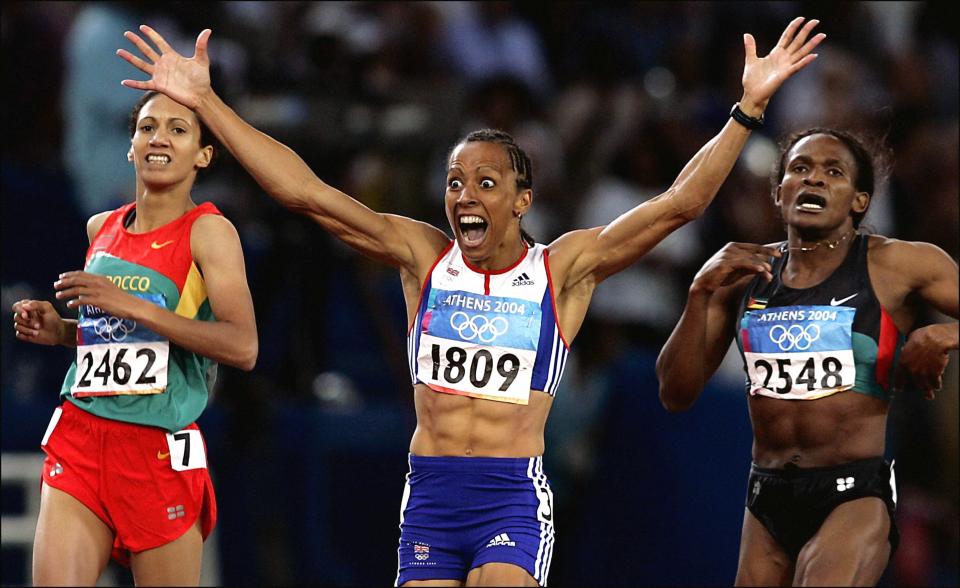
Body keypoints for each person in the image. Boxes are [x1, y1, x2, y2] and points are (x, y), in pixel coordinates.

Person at [117, 17, 823, 587]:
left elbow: (678, 205)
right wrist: (205, 102)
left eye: (485, 184)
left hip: (510, 495)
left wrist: (748, 107)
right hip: (429, 494)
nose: (464, 196)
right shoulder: (423, 256)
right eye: (455, 182)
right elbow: (306, 193)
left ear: (522, 200)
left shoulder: (563, 269)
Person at [656, 127, 958, 586]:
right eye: (800, 169)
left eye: (833, 172)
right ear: (779, 195)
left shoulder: (898, 265)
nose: (813, 179)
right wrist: (700, 292)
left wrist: (943, 333)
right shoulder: (744, 273)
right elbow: (675, 394)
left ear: (860, 201)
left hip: (852, 494)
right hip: (765, 497)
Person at [12, 90, 258, 586]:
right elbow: (118, 339)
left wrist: (130, 304)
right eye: (147, 128)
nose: (159, 138)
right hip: (81, 436)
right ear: (130, 146)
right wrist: (62, 331)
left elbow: (243, 346)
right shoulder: (100, 228)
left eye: (178, 129)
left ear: (203, 155)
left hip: (158, 451)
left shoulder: (209, 233)